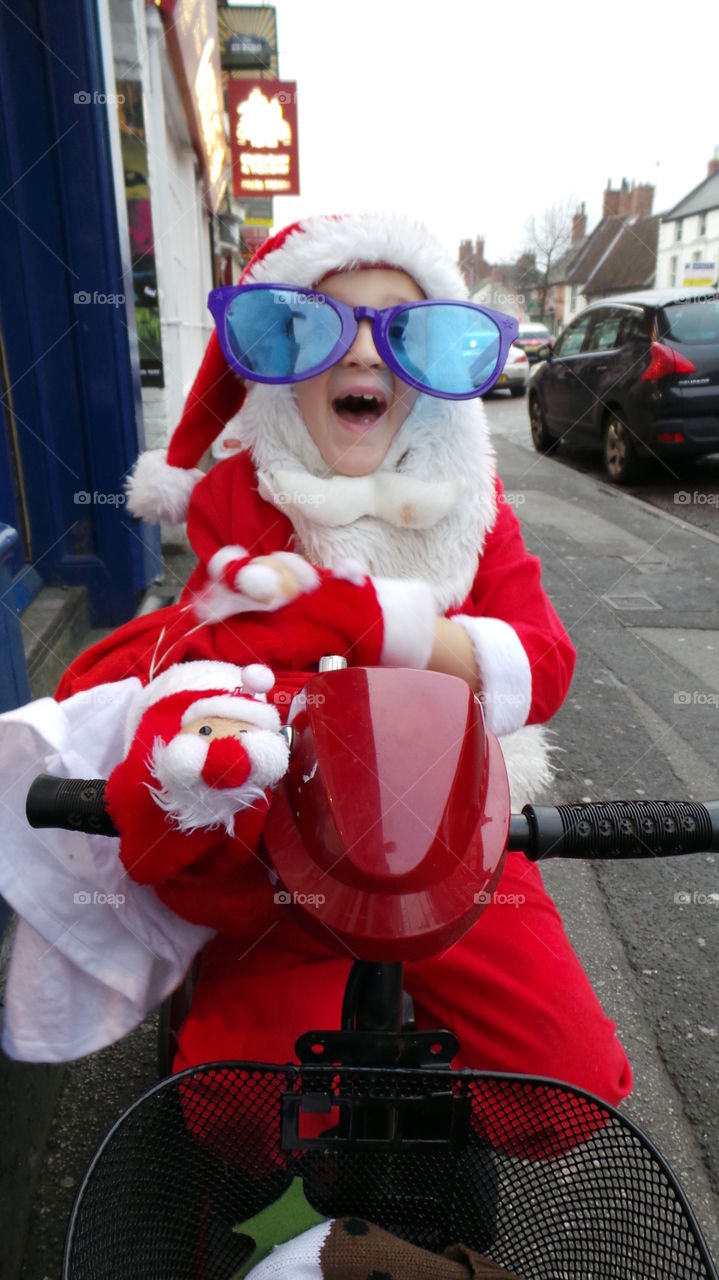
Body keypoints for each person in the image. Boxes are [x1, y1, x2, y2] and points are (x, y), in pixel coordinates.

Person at [92, 211, 629, 1107]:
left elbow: (541, 663)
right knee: (235, 1106)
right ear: (278, 357)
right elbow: (215, 656)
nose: (365, 357)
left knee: (567, 1087)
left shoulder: (472, 504)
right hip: (284, 846)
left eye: (403, 333)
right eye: (318, 326)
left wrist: (380, 624)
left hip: (461, 837)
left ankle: (427, 1134)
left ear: (430, 370)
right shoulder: (239, 494)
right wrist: (213, 728)